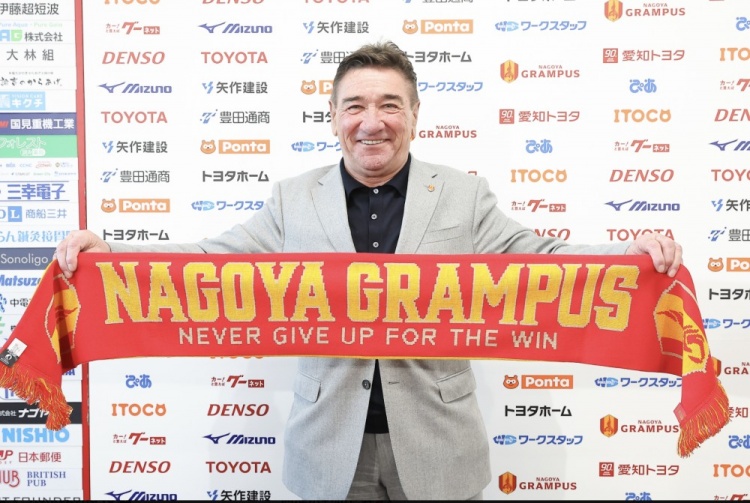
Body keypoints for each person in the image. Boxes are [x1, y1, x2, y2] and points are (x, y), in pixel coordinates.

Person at [54, 40, 682, 500]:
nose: (372, 122)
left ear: (415, 114)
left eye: (390, 105)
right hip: (330, 447)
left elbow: (537, 257)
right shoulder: (292, 199)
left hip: (439, 446)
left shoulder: (463, 195)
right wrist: (113, 259)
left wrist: (628, 259)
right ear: (333, 116)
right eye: (355, 106)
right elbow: (210, 262)